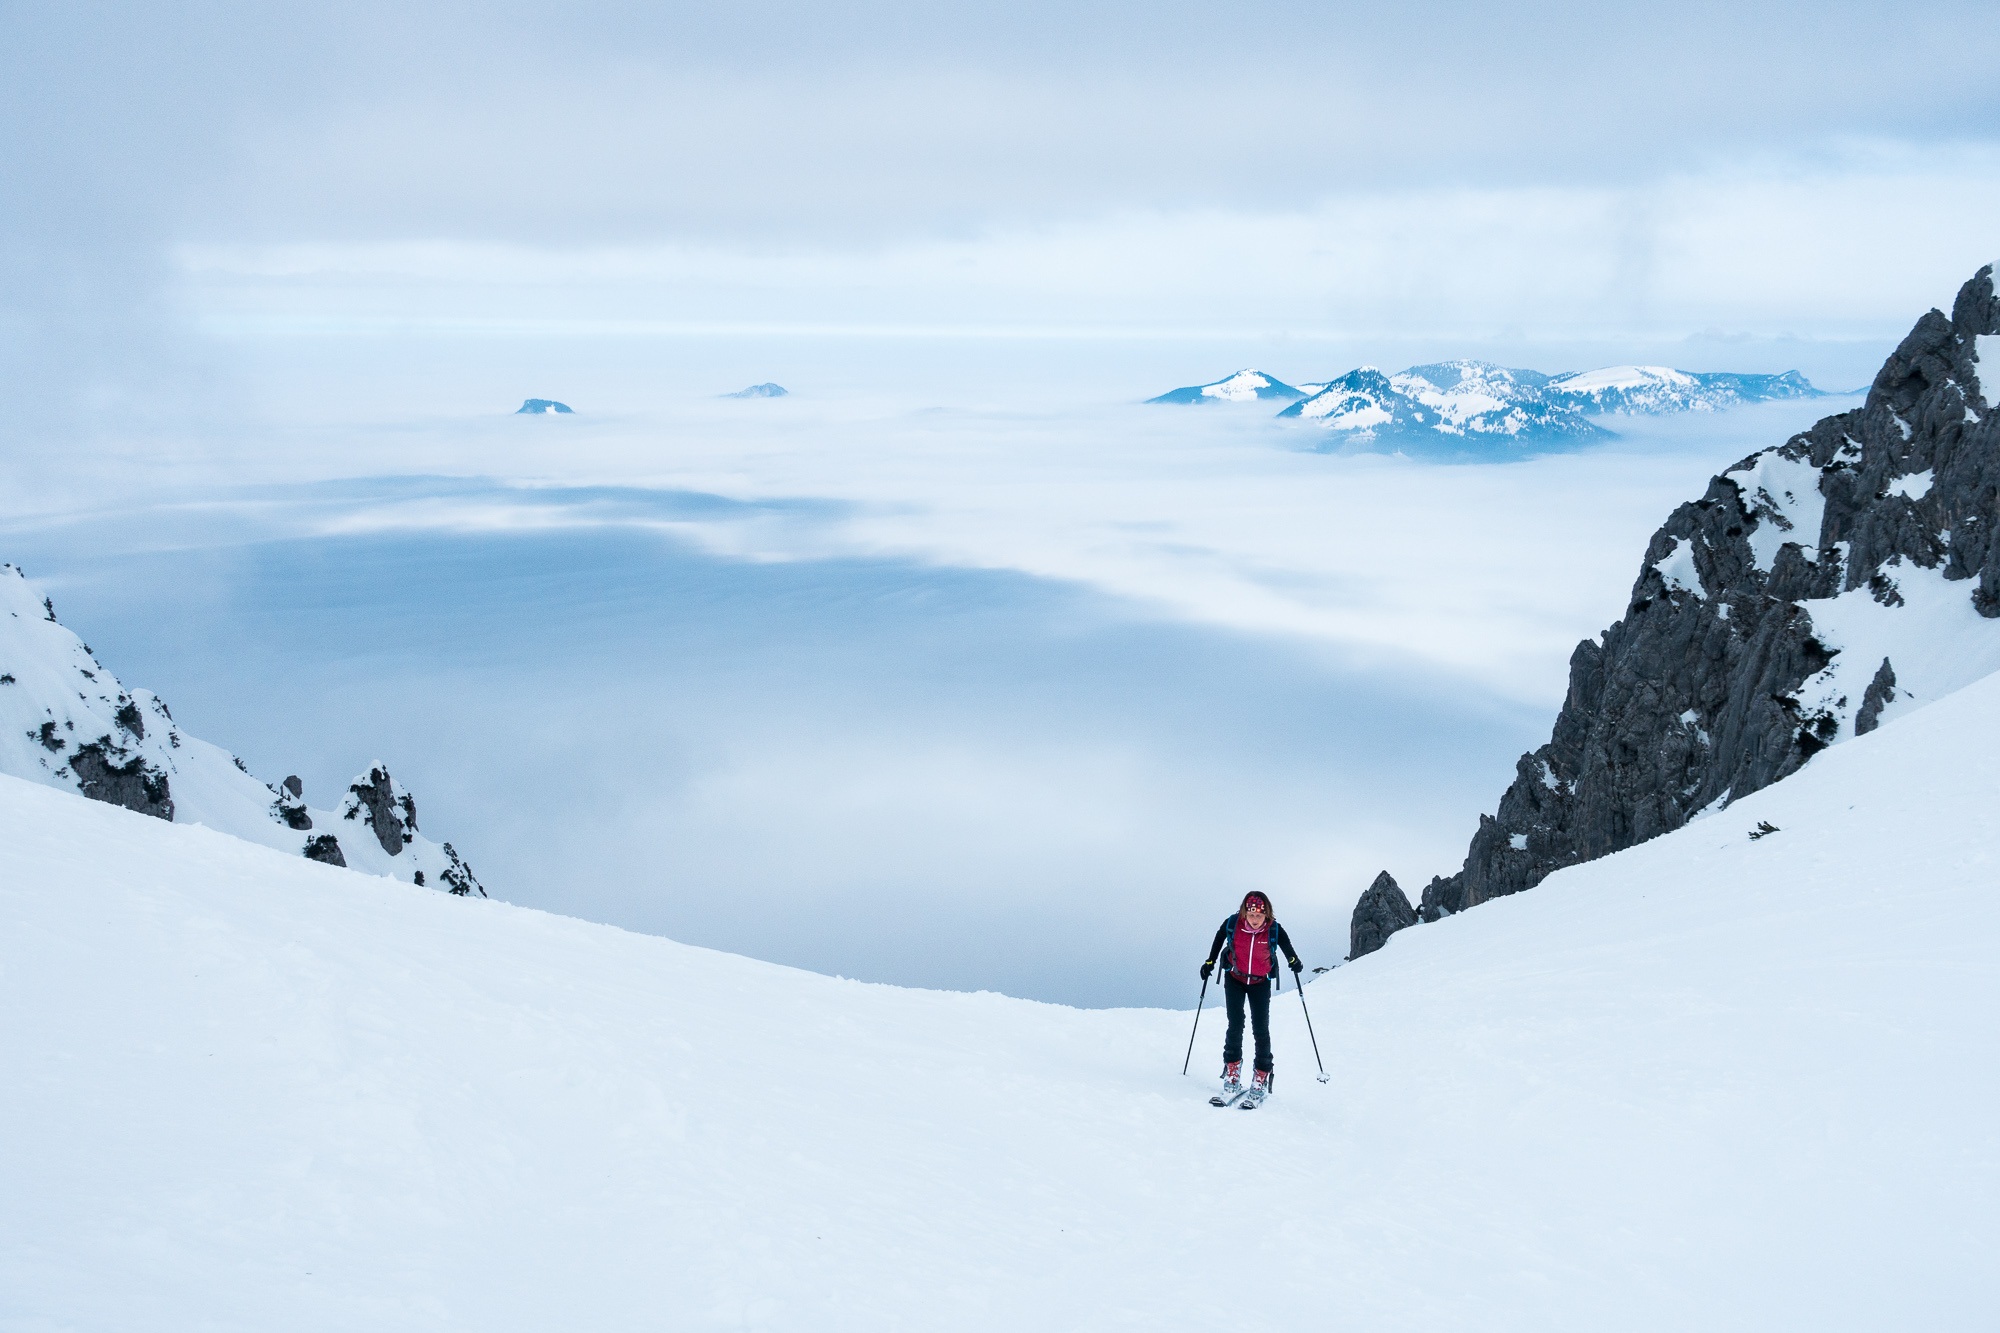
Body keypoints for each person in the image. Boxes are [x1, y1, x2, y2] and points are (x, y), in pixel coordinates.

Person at [1200, 891, 1303, 1101]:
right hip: (1235, 979)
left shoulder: (1274, 929)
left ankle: (1261, 1074)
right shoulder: (1232, 923)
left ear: (1267, 914)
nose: (1255, 920)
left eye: (1259, 916)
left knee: (1261, 1029)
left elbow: (1287, 947)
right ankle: (1232, 1071)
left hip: (1260, 982)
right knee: (1235, 1025)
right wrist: (1209, 962)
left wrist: (1294, 960)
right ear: (1244, 913)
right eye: (1251, 915)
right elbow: (1219, 938)